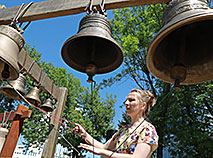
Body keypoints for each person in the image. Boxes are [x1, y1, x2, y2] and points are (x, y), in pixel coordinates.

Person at [74, 88, 158, 158]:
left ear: (143, 106)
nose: (126, 103)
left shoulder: (148, 129)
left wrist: (102, 152)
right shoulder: (123, 130)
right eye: (126, 100)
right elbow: (104, 147)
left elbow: (137, 157)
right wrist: (84, 134)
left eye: (131, 100)